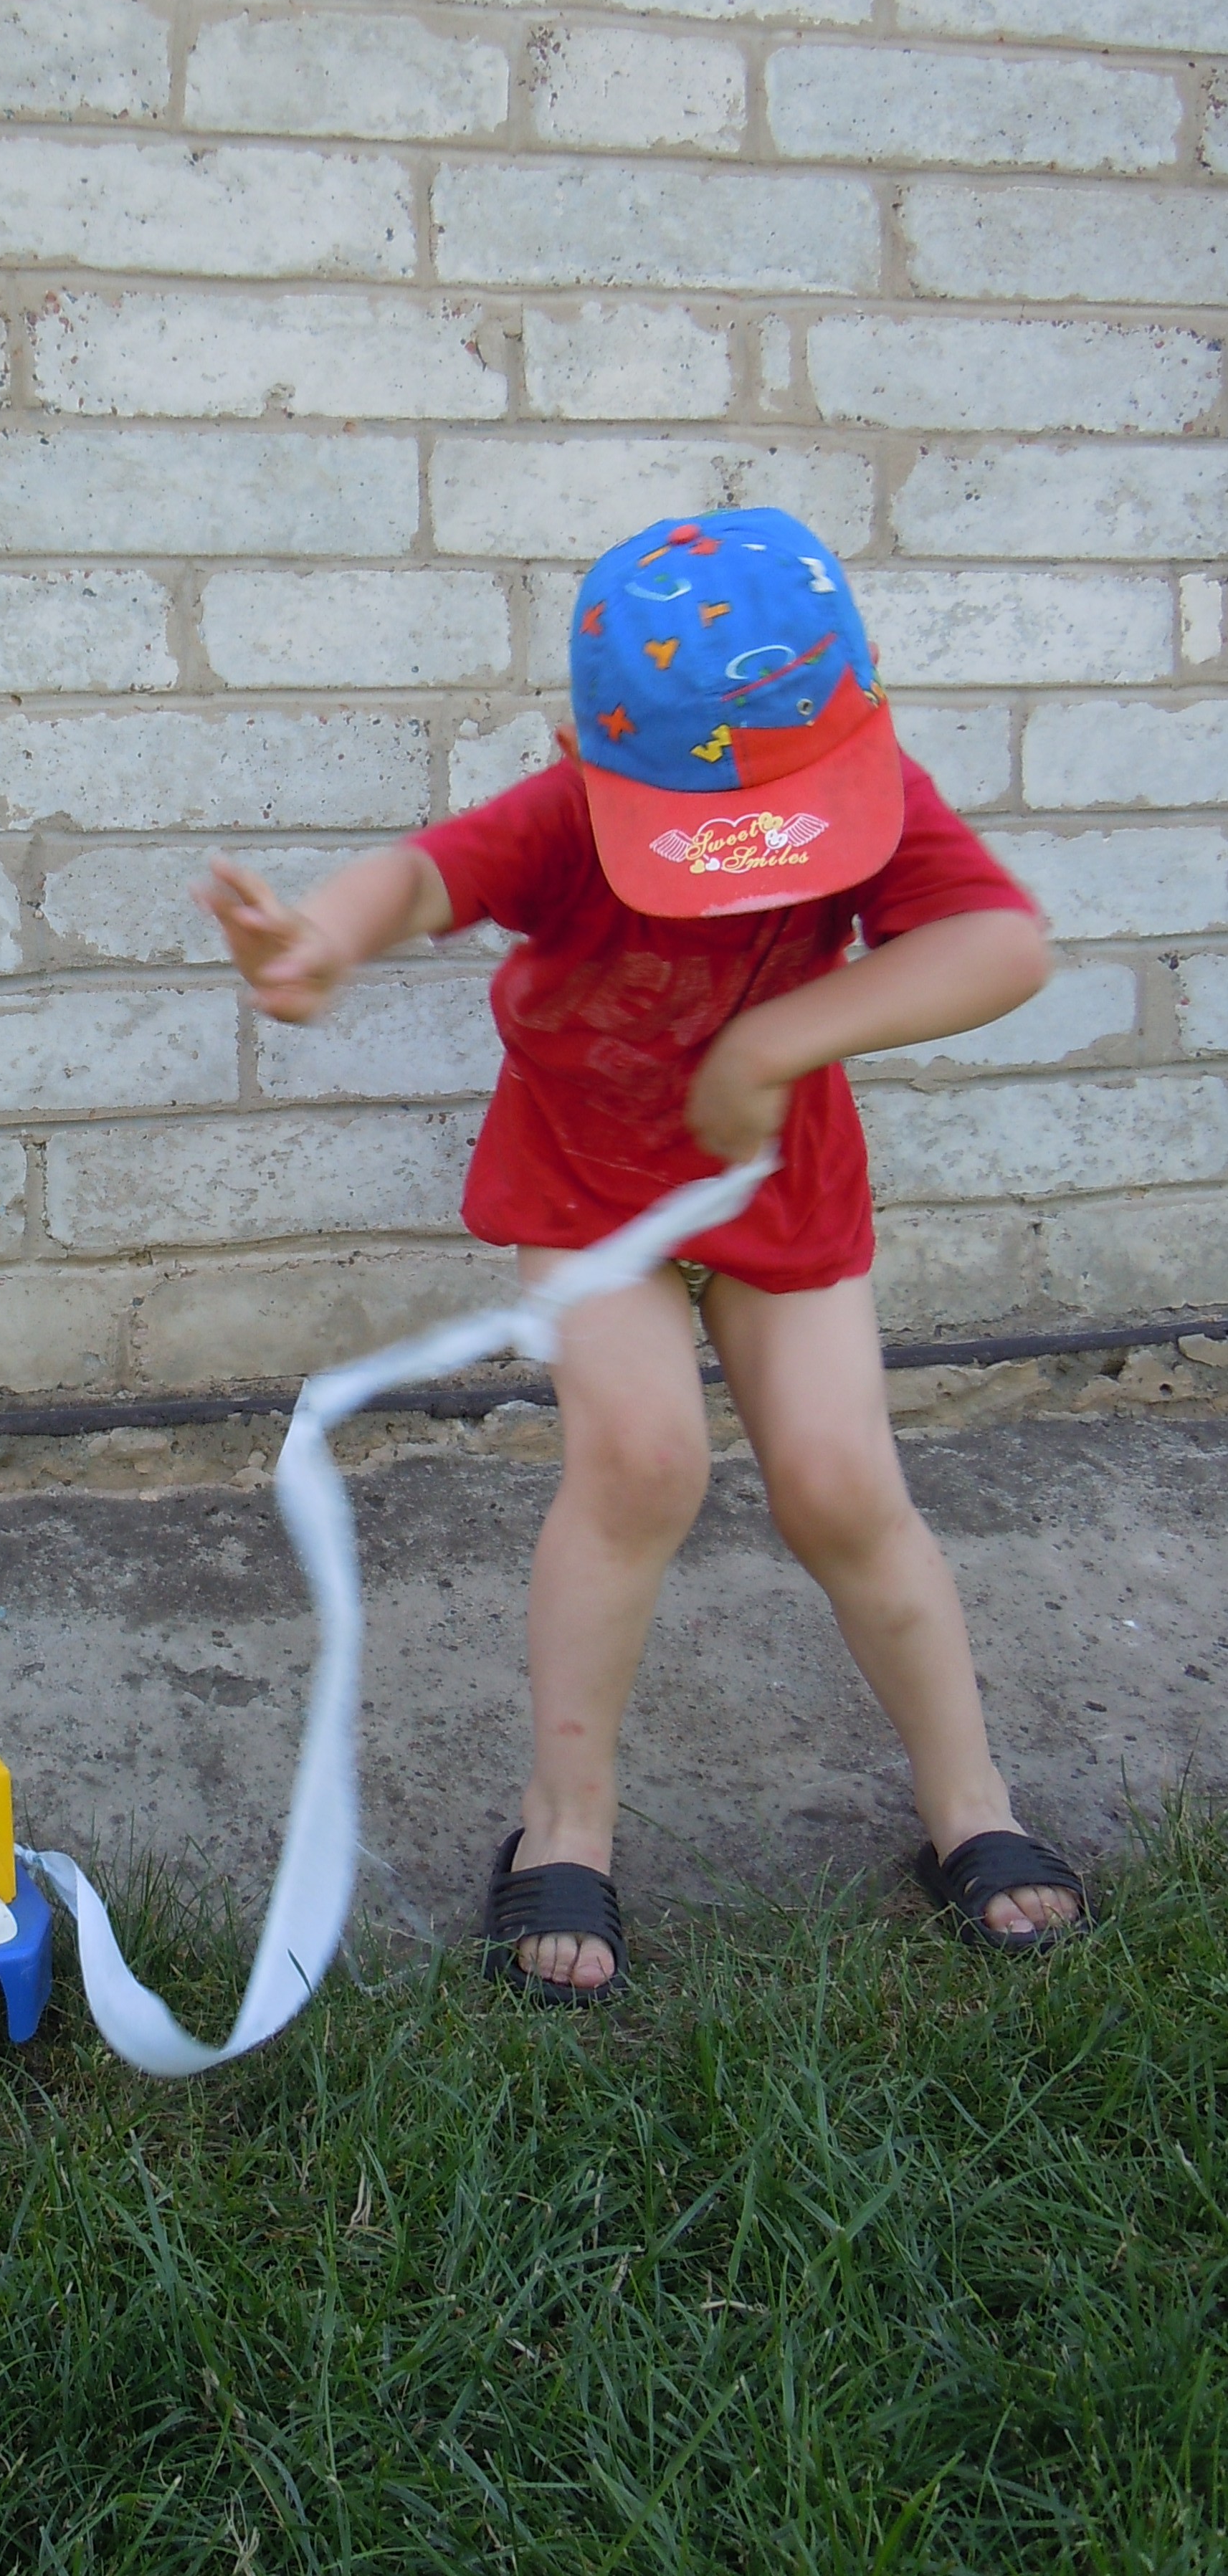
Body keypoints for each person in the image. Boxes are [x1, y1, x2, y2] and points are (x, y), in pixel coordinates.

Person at [199, 508, 1085, 2002]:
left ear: (862, 736)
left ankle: (969, 1801)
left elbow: (1002, 946)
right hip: (592, 1190)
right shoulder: (573, 812)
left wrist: (776, 1039)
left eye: (777, 830)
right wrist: (327, 936)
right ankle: (568, 1821)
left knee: (842, 1485)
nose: (743, 864)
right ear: (580, 755)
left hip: (775, 1183)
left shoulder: (867, 785)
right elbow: (423, 876)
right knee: (642, 1467)